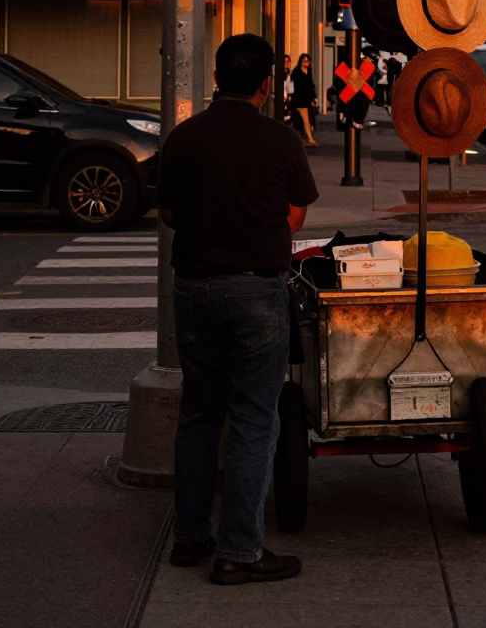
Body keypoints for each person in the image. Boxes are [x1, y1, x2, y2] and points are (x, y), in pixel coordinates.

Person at [157, 33, 319, 586]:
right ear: (268, 83)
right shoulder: (281, 139)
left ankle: (190, 537)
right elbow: (296, 218)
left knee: (200, 412)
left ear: (218, 78)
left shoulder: (184, 138)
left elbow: (170, 214)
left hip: (193, 289)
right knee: (255, 417)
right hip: (256, 291)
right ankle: (240, 551)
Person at [291, 52, 318, 146]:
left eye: (308, 61)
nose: (306, 63)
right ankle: (310, 139)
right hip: (300, 99)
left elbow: (311, 85)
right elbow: (295, 86)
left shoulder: (309, 71)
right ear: (301, 62)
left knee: (309, 119)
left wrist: (314, 98)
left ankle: (306, 138)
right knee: (306, 119)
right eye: (304, 61)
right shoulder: (296, 72)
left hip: (308, 99)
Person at [283, 53, 293, 119]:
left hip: (287, 103)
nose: (287, 63)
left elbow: (291, 91)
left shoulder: (289, 76)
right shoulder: (279, 75)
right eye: (285, 61)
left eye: (288, 61)